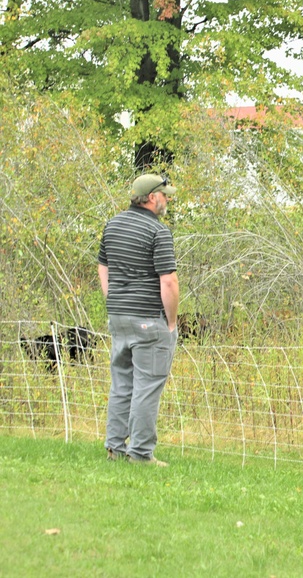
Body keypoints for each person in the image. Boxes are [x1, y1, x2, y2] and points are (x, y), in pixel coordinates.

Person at [98, 173, 179, 467]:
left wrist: (114, 302)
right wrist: (170, 323)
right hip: (148, 320)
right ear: (151, 197)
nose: (167, 200)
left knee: (122, 384)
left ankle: (114, 449)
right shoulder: (158, 232)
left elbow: (103, 266)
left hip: (118, 317)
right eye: (165, 195)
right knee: (147, 386)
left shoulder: (113, 224)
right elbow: (168, 282)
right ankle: (141, 454)